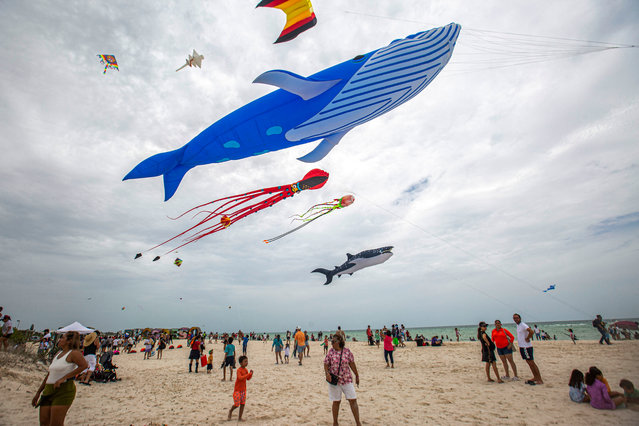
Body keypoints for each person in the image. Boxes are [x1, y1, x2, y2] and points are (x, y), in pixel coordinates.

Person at [32, 331, 88, 426]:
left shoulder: (74, 353)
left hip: (64, 390)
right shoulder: (58, 353)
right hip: (48, 389)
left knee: (56, 423)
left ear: (69, 341)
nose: (60, 339)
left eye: (62, 338)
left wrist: (64, 378)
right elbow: (50, 374)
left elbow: (84, 366)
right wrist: (38, 392)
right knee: (44, 422)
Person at [324, 333, 361, 426]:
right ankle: (335, 422)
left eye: (333, 341)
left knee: (353, 400)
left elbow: (352, 363)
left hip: (347, 380)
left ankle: (358, 423)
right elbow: (326, 363)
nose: (332, 343)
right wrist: (327, 373)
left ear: (340, 341)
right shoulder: (331, 352)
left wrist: (357, 375)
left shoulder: (347, 351)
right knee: (336, 402)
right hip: (334, 382)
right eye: (331, 341)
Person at [513, 313, 542, 385]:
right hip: (522, 347)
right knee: (529, 363)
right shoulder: (518, 325)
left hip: (526, 347)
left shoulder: (523, 325)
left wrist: (528, 338)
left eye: (517, 318)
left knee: (531, 363)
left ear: (520, 318)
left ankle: (539, 379)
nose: (515, 319)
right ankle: (535, 377)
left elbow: (531, 331)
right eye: (514, 318)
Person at [227, 355, 253, 421]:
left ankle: (240, 417)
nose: (246, 363)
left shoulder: (246, 370)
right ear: (241, 363)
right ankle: (231, 411)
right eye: (245, 361)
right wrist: (248, 374)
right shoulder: (239, 370)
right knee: (236, 404)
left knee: (242, 404)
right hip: (237, 390)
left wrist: (251, 374)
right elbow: (240, 378)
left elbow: (248, 379)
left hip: (243, 390)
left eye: (247, 361)